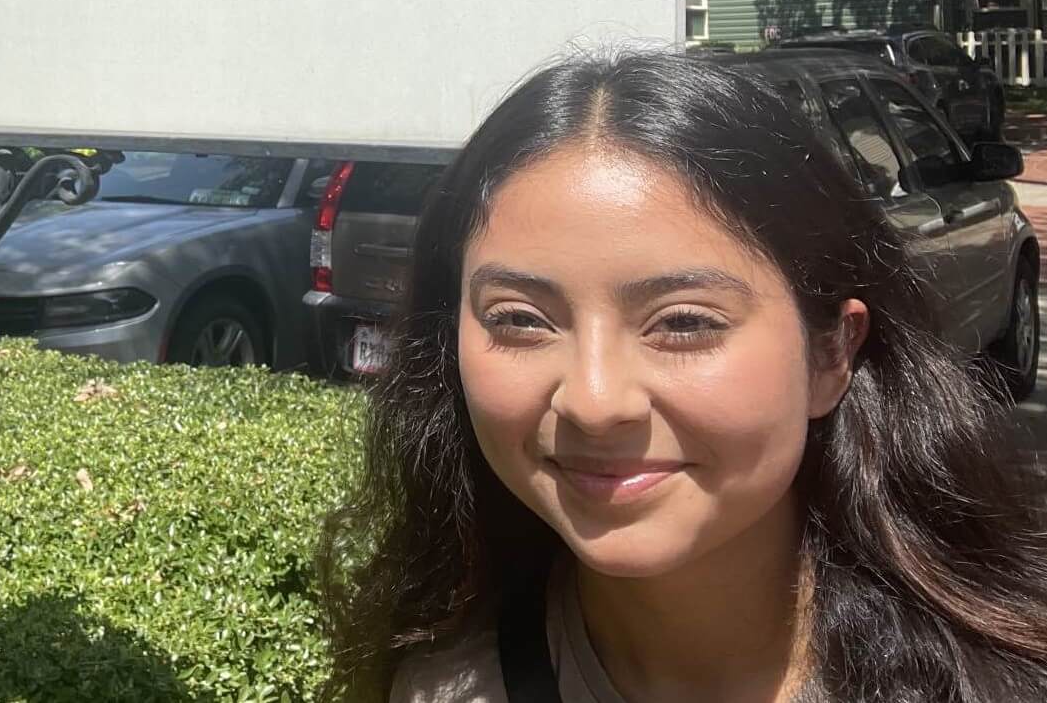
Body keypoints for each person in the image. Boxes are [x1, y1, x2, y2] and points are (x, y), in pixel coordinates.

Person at [321, 49, 1047, 703]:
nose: (594, 401)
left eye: (684, 323)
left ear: (832, 352)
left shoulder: (1003, 678)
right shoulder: (437, 681)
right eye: (519, 319)